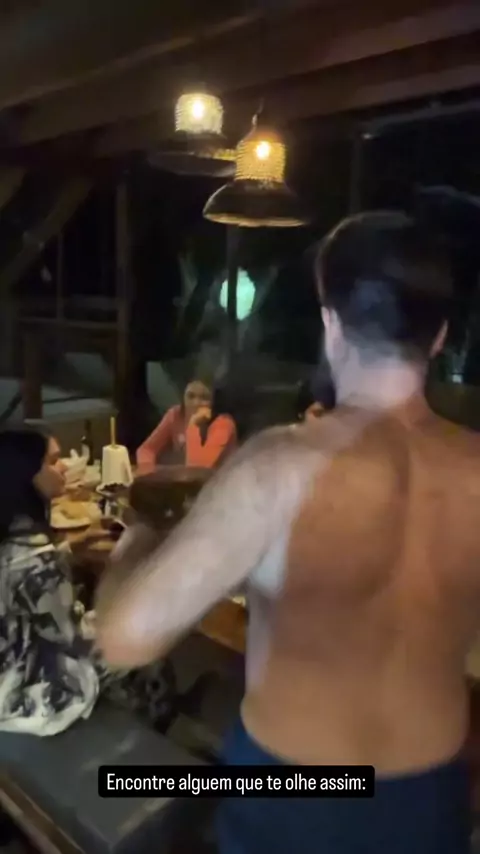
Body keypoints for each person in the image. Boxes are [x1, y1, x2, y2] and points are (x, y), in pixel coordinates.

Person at [96, 211, 480, 854]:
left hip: (298, 799)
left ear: (331, 323)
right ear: (439, 337)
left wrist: (137, 538)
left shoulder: (278, 466)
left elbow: (122, 639)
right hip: (432, 797)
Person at [0, 429, 175, 736]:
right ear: (27, 477)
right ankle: (152, 732)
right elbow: (71, 642)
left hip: (12, 669)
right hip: (28, 697)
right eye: (52, 461)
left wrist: (67, 551)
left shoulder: (12, 535)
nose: (64, 467)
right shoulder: (36, 559)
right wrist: (125, 596)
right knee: (147, 642)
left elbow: (20, 579)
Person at [136, 378, 237, 469]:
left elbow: (198, 468)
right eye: (190, 396)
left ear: (213, 402)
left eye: (204, 398)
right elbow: (146, 450)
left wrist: (193, 425)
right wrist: (148, 470)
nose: (196, 403)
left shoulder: (224, 424)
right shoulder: (175, 415)